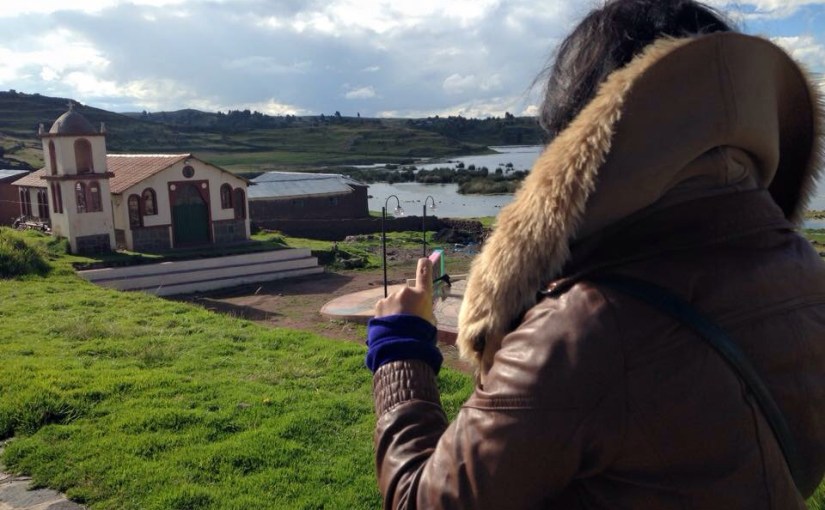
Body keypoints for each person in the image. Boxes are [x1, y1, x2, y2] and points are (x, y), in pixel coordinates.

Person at [365, 0, 825, 508]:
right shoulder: (803, 267)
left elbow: (421, 502)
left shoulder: (584, 332)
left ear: (579, 135)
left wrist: (400, 349)